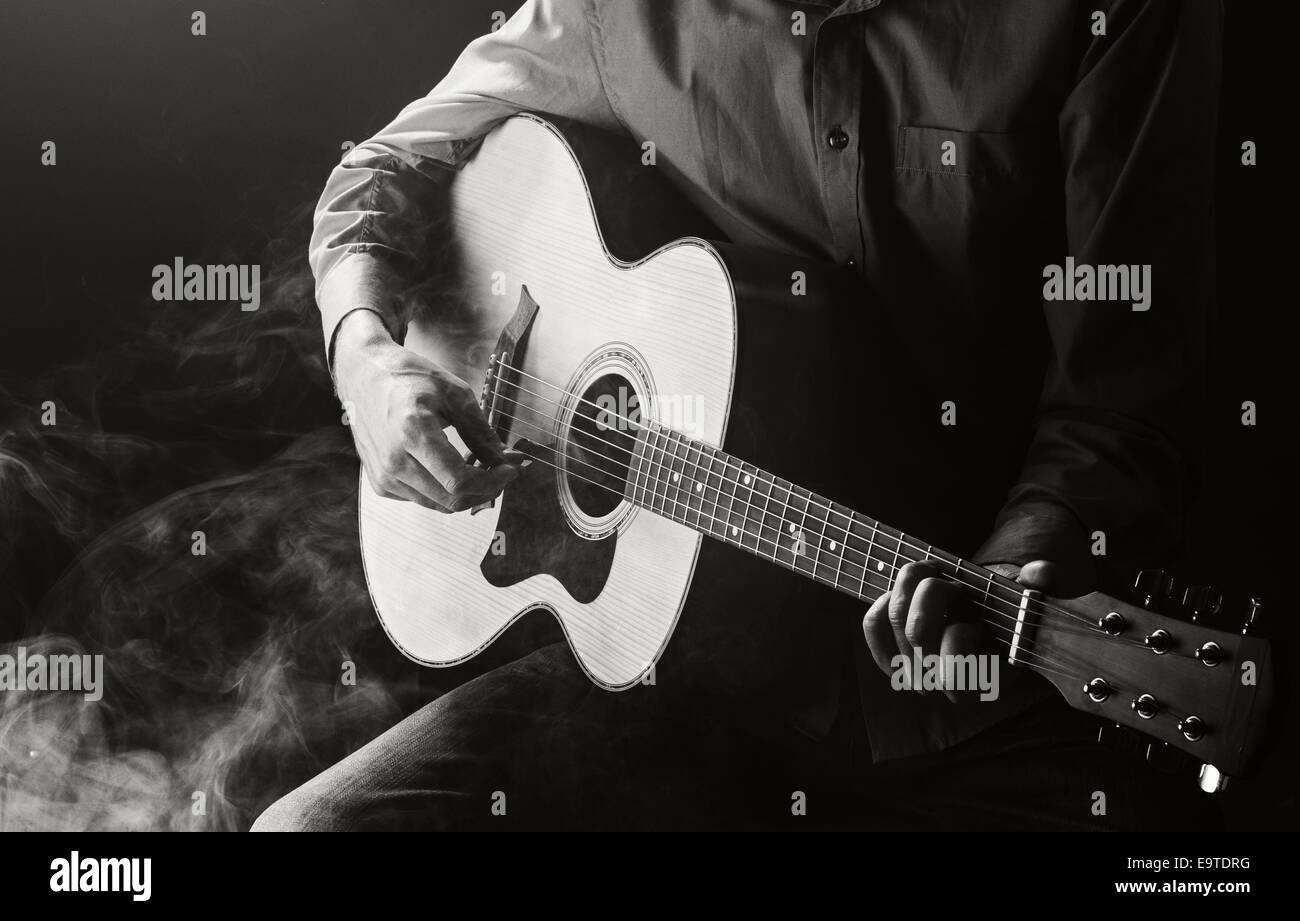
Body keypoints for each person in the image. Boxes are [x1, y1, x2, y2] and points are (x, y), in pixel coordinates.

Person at [253, 0, 1222, 831]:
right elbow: (378, 173)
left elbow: (1124, 391)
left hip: (984, 700)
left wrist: (1023, 551)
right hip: (678, 684)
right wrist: (367, 360)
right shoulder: (615, 15)